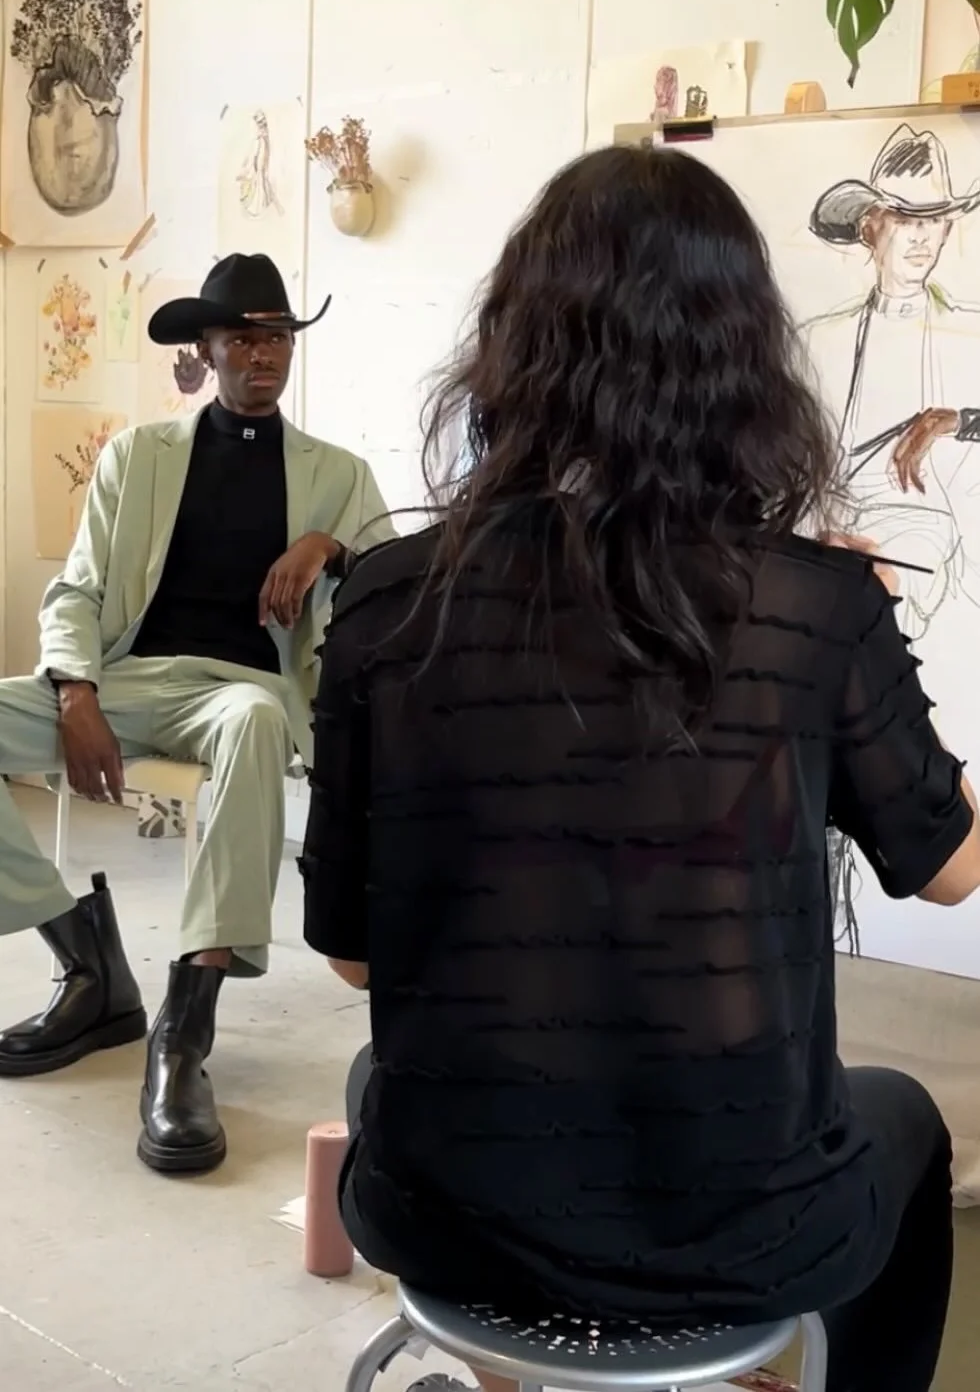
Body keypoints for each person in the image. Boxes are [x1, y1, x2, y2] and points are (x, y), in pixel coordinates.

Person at [301, 146, 980, 1392]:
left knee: (381, 1080)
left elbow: (353, 957)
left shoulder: (387, 601)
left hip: (449, 1216)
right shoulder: (816, 606)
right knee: (903, 1121)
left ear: (510, 346)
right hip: (744, 1230)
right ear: (743, 366)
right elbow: (949, 871)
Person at [0, 253, 393, 1177]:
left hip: (242, 692)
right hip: (127, 679)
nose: (264, 354)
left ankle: (184, 1031)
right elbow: (77, 589)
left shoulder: (338, 475)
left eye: (278, 337)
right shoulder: (138, 457)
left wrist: (330, 547)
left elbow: (396, 585)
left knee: (253, 719)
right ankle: (92, 972)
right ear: (206, 350)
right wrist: (77, 691)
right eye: (243, 338)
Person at [806, 123, 980, 639]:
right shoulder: (820, 338)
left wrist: (955, 421)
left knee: (869, 606)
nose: (922, 237)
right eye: (905, 219)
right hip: (825, 522)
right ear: (871, 230)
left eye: (934, 220)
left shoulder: (970, 331)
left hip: (922, 529)